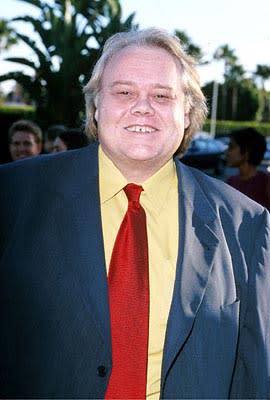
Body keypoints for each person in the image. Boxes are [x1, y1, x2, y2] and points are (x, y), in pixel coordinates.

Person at [0, 28, 269, 400]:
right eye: (124, 92)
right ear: (96, 105)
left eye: (162, 95)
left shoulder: (247, 225)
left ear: (187, 113)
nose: (143, 106)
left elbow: (253, 373)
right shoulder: (12, 195)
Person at [225, 127, 270, 209]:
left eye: (231, 147)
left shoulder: (266, 183)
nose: (226, 153)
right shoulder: (230, 183)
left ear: (246, 151)